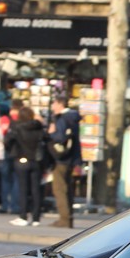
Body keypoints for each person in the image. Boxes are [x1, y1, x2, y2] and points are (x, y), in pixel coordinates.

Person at [5, 103, 46, 226]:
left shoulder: (17, 127)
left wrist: (12, 151)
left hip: (21, 159)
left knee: (23, 189)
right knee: (36, 190)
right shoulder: (39, 127)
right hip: (36, 160)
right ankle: (36, 217)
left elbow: (7, 141)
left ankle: (23, 215)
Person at [46, 94, 81, 229]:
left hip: (61, 158)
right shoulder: (73, 117)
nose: (52, 107)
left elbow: (59, 137)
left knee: (60, 188)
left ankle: (64, 219)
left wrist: (51, 133)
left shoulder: (62, 119)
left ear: (60, 104)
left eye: (54, 104)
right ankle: (68, 217)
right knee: (67, 187)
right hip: (71, 156)